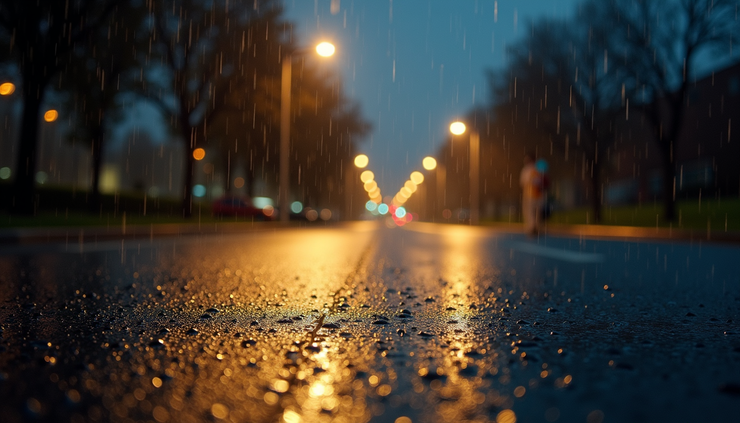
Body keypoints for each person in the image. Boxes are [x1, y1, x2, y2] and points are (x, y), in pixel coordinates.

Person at [520, 153, 547, 236]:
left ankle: (532, 228)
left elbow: (523, 182)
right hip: (540, 194)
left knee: (529, 212)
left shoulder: (527, 170)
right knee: (537, 212)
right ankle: (537, 227)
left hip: (530, 194)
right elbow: (544, 180)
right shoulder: (540, 168)